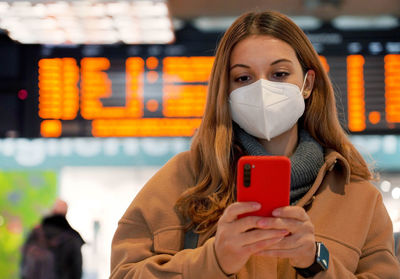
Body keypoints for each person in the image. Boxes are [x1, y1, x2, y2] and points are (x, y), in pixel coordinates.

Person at [110, 10, 400, 278]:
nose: (262, 89)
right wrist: (213, 260)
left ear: (308, 84)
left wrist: (316, 261)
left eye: (280, 74)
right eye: (243, 77)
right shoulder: (181, 181)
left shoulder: (359, 198)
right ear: (227, 90)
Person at [21, 198, 85, 279]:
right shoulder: (72, 238)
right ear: (66, 213)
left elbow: (24, 263)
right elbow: (76, 271)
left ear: (52, 211)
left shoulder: (36, 232)